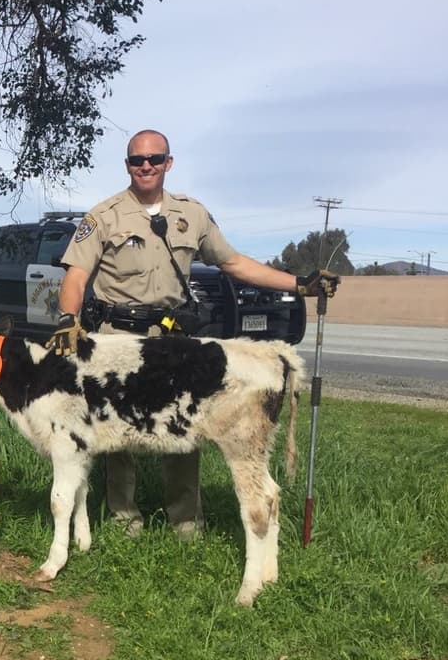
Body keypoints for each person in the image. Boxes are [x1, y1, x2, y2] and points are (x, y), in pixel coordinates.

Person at [46, 129, 338, 539]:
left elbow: (233, 262)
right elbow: (76, 275)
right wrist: (67, 319)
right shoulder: (103, 215)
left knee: (182, 426)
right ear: (127, 165)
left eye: (154, 158)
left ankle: (186, 522)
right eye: (136, 160)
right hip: (118, 337)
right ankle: (123, 519)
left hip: (172, 337)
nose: (145, 166)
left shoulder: (192, 214)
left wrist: (298, 284)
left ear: (168, 162)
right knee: (115, 432)